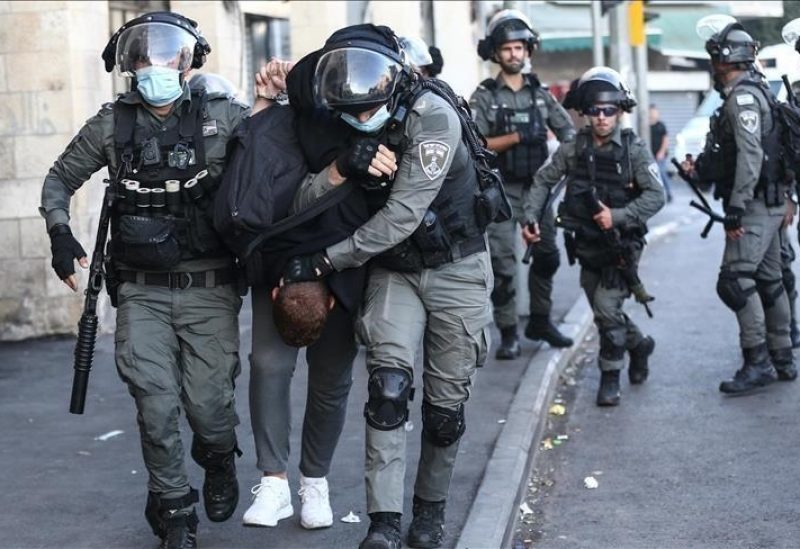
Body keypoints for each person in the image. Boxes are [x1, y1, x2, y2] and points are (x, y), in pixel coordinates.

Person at [40, 12, 250, 548]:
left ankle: (218, 457)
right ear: (130, 65)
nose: (155, 66)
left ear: (187, 62)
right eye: (144, 57)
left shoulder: (222, 117)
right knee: (155, 405)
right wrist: (60, 234)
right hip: (141, 289)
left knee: (210, 410)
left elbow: (275, 159)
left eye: (167, 55)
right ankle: (175, 509)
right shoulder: (113, 124)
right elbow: (59, 179)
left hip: (210, 286)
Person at [284, 24, 494, 549]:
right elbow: (301, 201)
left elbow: (402, 215)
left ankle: (429, 514)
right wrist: (342, 167)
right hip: (395, 272)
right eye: (350, 112)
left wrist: (324, 262)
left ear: (394, 80)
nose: (361, 119)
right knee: (388, 391)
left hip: (456, 268)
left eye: (368, 110)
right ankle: (383, 523)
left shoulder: (433, 116)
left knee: (444, 412)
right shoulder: (346, 117)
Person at [224, 58, 396, 531]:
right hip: (278, 255)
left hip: (344, 262)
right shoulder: (283, 123)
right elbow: (252, 168)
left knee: (331, 380)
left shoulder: (371, 126)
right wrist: (265, 102)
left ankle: (315, 481)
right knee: (269, 364)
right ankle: (274, 482)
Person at [522, 67, 665, 406]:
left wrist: (617, 216)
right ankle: (639, 345)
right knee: (604, 309)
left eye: (609, 110)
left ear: (620, 111)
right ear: (585, 112)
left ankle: (610, 376)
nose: (602, 117)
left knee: (606, 306)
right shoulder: (574, 148)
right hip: (586, 244)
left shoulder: (633, 150)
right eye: (595, 110)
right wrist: (530, 216)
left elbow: (656, 195)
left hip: (622, 244)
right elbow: (543, 181)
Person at [682, 15, 796, 394]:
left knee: (733, 281)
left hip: (756, 206)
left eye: (714, 55)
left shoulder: (742, 97)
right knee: (769, 280)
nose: (712, 63)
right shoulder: (757, 90)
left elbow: (750, 156)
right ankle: (782, 356)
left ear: (725, 58)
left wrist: (736, 207)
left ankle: (758, 361)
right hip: (770, 202)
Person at [470, 9, 576, 359]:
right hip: (500, 190)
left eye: (519, 47)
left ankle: (541, 321)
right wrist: (516, 137)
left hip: (538, 189)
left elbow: (569, 135)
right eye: (507, 48)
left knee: (547, 256)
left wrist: (561, 168)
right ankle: (508, 333)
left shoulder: (540, 94)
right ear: (496, 53)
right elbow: (474, 144)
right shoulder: (484, 95)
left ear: (528, 50)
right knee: (503, 265)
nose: (514, 54)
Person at [649, 104, 673, 202]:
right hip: (650, 155)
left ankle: (668, 193)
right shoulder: (646, 126)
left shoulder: (661, 125)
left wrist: (661, 152)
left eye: (654, 112)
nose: (653, 114)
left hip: (660, 155)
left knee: (662, 173)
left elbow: (665, 140)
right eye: (651, 112)